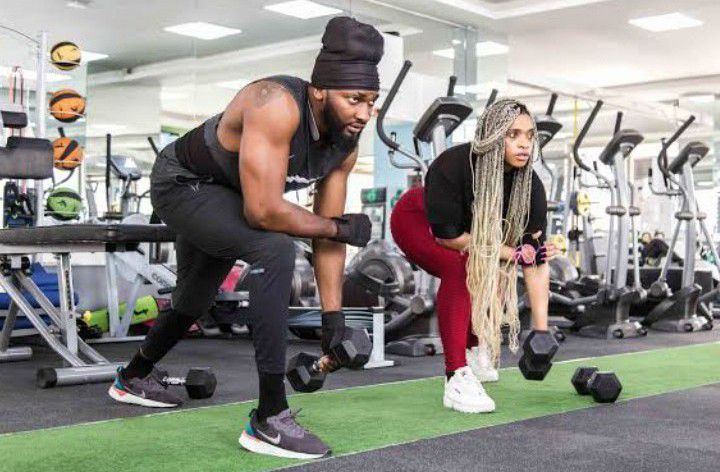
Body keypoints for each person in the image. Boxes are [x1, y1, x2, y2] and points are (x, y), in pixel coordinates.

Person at [107, 16, 383, 460]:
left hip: (230, 195)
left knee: (195, 298)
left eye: (371, 102)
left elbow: (329, 233)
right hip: (183, 182)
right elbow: (266, 212)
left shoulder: (344, 146)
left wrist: (332, 320)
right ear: (319, 91)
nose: (364, 114)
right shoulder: (275, 104)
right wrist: (338, 227)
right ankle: (269, 417)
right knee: (274, 248)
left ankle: (133, 376)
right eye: (354, 100)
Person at [390, 99, 559, 414]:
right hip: (418, 221)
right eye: (513, 135)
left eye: (529, 135)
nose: (524, 144)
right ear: (493, 135)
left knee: (495, 269)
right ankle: (455, 376)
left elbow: (534, 260)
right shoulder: (453, 165)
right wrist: (511, 252)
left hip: (472, 236)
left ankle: (472, 348)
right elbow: (450, 239)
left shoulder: (530, 187)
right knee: (460, 267)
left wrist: (541, 331)